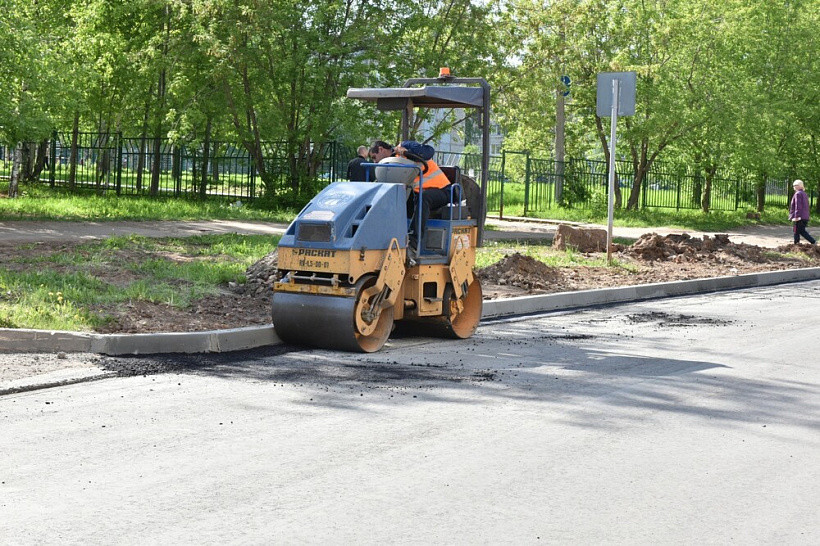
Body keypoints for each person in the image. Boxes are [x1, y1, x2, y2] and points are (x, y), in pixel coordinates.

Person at [395, 140, 452, 260]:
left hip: (442, 190)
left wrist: (407, 151)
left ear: (380, 149)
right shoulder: (391, 160)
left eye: (374, 157)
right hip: (418, 192)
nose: (374, 161)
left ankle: (413, 243)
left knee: (424, 197)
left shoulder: (408, 146)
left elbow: (428, 151)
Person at [789, 179, 816, 244]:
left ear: (799, 186)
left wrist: (796, 216)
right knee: (798, 231)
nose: (794, 187)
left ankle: (812, 241)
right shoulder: (804, 194)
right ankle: (796, 244)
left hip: (799, 216)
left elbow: (798, 206)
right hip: (804, 216)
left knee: (798, 231)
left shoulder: (798, 194)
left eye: (795, 185)